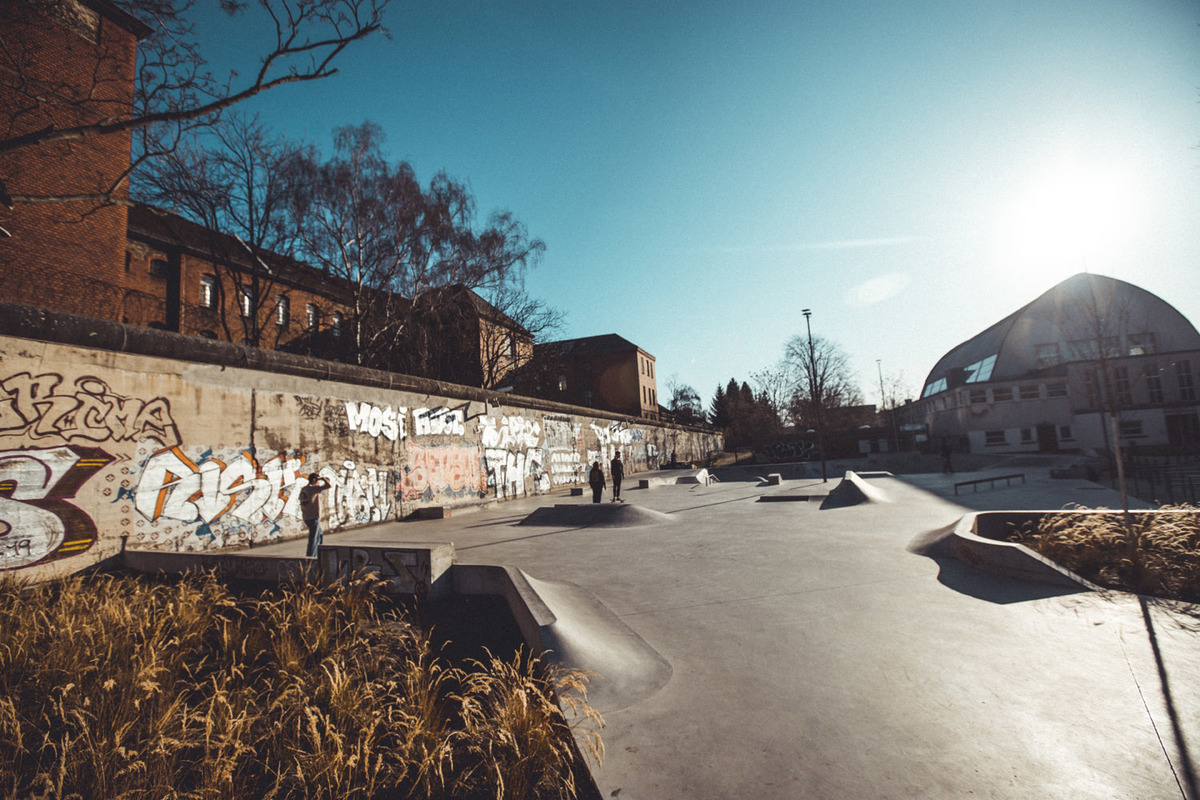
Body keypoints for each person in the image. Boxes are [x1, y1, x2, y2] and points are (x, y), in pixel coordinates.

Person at [298, 472, 331, 557]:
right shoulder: (313, 489)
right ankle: (311, 556)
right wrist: (323, 479)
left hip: (306, 516)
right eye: (318, 480)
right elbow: (329, 486)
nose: (318, 482)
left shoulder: (304, 489)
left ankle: (319, 553)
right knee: (313, 538)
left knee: (319, 534)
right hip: (313, 516)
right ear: (314, 480)